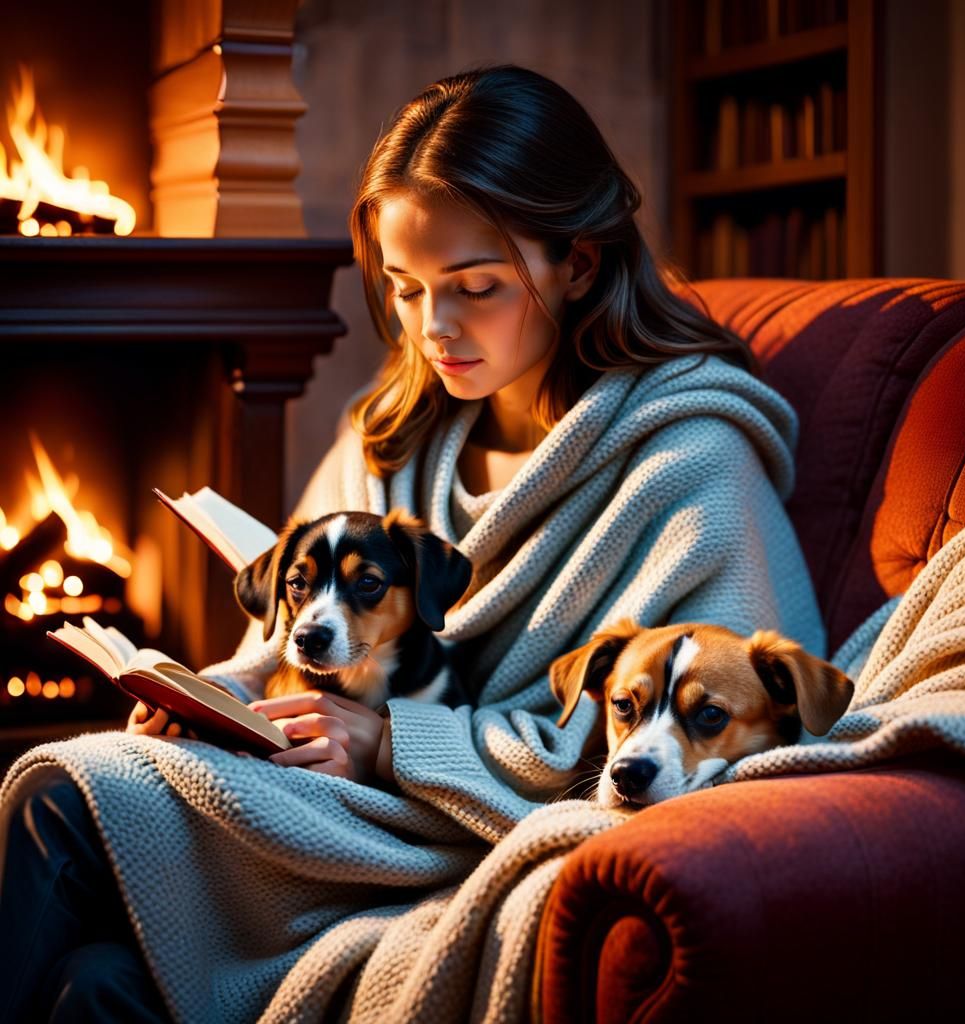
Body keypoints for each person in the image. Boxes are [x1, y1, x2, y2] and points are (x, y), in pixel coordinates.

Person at [0, 65, 824, 1023]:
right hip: (330, 793)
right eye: (404, 288)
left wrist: (394, 742)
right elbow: (289, 641)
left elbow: (687, 745)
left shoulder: (691, 466)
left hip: (463, 826)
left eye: (475, 287)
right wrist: (220, 693)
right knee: (90, 987)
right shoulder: (397, 432)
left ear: (581, 264)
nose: (433, 328)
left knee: (57, 800)